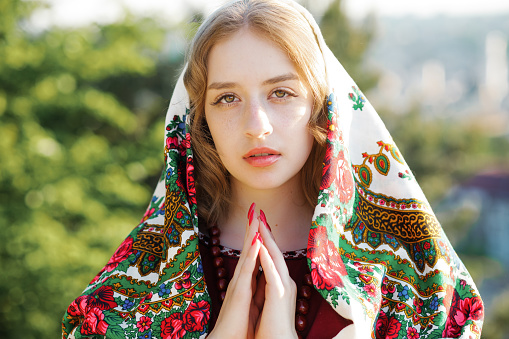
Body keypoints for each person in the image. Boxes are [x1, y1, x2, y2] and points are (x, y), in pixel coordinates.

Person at [62, 0, 484, 338]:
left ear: (324, 106)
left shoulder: (417, 285)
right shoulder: (124, 299)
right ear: (198, 117)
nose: (256, 126)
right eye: (227, 98)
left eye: (281, 93)